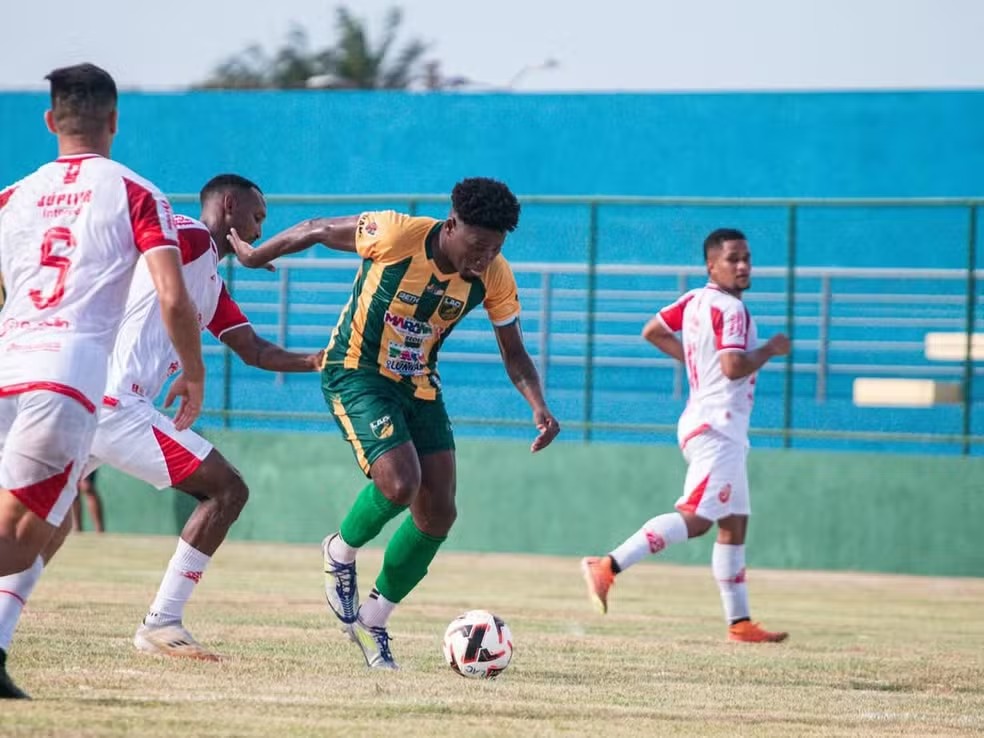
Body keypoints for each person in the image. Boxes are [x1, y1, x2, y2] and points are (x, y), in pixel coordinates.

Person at [228, 177, 561, 669]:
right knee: (401, 483)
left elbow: (514, 352)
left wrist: (539, 405)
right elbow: (318, 228)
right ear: (451, 225)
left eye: (494, 248)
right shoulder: (396, 233)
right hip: (356, 372)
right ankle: (340, 551)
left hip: (418, 384)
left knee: (439, 513)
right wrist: (255, 257)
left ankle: (374, 618)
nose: (483, 258)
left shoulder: (495, 276)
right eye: (476, 245)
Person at [36, 174, 323, 662]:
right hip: (114, 405)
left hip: (92, 404)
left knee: (38, 526)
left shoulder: (209, 279)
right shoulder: (187, 236)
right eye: (257, 217)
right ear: (228, 206)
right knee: (227, 489)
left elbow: (252, 350)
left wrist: (321, 359)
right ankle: (162, 623)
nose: (258, 231)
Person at [0, 63, 204, 699]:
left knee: (48, 525)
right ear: (114, 121)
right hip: (62, 380)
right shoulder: (137, 193)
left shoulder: (12, 196)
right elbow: (173, 297)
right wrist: (192, 371)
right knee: (19, 536)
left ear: (48, 120)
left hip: (6, 365)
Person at [581, 228, 791, 643]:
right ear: (712, 264)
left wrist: (696, 362)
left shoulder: (693, 299)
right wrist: (769, 350)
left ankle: (740, 622)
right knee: (696, 519)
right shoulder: (732, 309)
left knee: (733, 524)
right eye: (733, 258)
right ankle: (608, 565)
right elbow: (732, 367)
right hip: (719, 425)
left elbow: (652, 331)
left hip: (706, 419)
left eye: (747, 257)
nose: (743, 265)